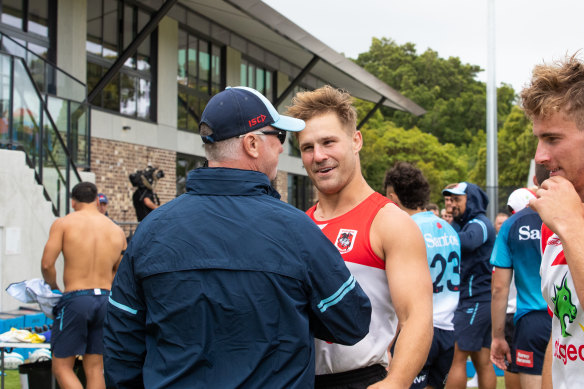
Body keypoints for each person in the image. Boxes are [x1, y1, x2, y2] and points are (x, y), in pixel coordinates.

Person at [103, 86, 372, 388]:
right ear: (253, 144)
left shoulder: (151, 230)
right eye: (278, 137)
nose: (283, 149)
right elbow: (353, 322)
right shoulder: (296, 230)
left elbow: (121, 343)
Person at [288, 85, 433, 388]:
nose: (319, 156)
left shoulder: (389, 221)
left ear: (356, 141)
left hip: (363, 378)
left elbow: (416, 318)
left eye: (329, 142)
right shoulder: (299, 225)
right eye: (307, 147)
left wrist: (396, 383)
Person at [521, 54, 584, 388]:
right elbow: (561, 335)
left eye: (553, 139)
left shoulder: (565, 221)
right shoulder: (552, 224)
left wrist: (573, 225)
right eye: (538, 138)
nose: (539, 156)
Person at [41, 182, 126, 389]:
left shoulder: (64, 223)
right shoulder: (116, 230)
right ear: (97, 200)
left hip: (76, 298)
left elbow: (47, 264)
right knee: (95, 368)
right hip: (106, 299)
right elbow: (120, 272)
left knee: (61, 366)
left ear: (73, 202)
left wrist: (53, 286)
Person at [384, 162, 461, 389]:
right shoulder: (448, 228)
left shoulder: (405, 230)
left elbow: (402, 294)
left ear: (392, 197)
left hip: (417, 332)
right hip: (447, 330)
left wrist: (388, 345)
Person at [490, 173, 551, 389]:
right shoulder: (572, 214)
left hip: (531, 321)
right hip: (568, 317)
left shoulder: (512, 224)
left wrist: (497, 337)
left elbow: (499, 288)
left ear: (535, 178)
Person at [441, 182, 496, 389]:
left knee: (457, 356)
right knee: (482, 360)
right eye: (450, 200)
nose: (451, 204)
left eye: (457, 199)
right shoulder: (460, 224)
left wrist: (439, 235)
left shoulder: (479, 223)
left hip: (475, 301)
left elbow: (470, 241)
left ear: (470, 200)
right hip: (479, 301)